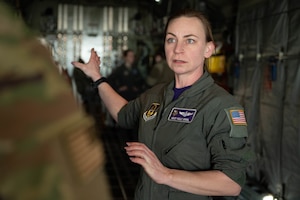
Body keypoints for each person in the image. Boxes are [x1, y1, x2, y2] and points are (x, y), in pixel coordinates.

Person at [72, 9, 255, 200]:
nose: (178, 49)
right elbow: (123, 113)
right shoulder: (155, 95)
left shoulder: (220, 106)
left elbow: (231, 183)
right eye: (171, 39)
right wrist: (97, 77)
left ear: (208, 49)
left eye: (190, 40)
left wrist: (166, 175)